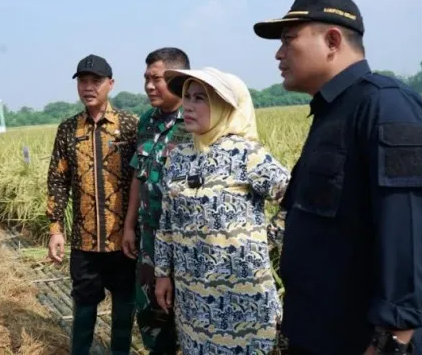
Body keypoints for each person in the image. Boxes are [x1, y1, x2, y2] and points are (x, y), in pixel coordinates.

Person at [252, 0, 422, 355]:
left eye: (288, 40)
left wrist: (392, 340)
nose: (278, 54)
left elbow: (410, 232)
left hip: (365, 342)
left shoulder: (386, 107)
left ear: (333, 39)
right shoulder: (331, 111)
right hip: (320, 332)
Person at [153, 67, 290, 354]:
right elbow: (166, 221)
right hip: (193, 299)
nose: (188, 105)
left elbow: (298, 200)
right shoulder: (179, 156)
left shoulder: (246, 154)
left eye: (200, 98)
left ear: (224, 106)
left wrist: (266, 241)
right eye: (187, 97)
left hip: (244, 297)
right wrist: (163, 274)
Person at [46, 54, 138, 355]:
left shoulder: (129, 126)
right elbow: (58, 181)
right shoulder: (68, 129)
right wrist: (55, 229)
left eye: (95, 81)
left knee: (124, 308)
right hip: (84, 243)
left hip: (123, 242)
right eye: (83, 81)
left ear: (110, 84)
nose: (88, 87)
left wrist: (135, 229)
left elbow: (142, 179)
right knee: (84, 307)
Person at [121, 47, 191, 355]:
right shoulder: (147, 120)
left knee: (186, 317)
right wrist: (129, 226)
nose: (150, 86)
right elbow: (139, 174)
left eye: (157, 79)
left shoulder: (196, 118)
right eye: (146, 78)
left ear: (177, 78)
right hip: (149, 238)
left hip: (184, 241)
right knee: (151, 314)